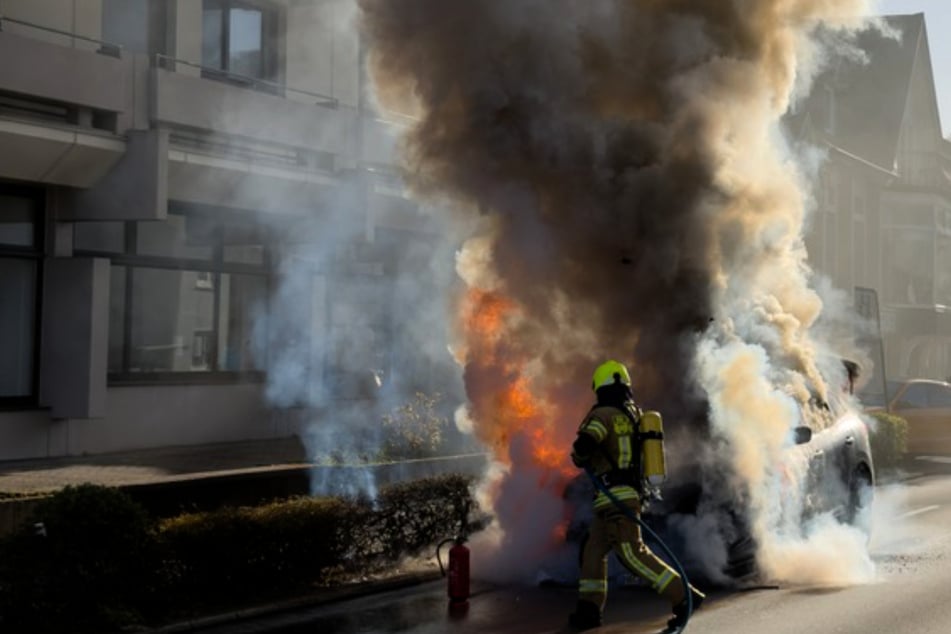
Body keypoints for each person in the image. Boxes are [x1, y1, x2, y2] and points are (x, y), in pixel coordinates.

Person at [568, 360, 705, 630]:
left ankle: (685, 598)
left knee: (633, 554)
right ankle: (588, 611)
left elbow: (585, 445)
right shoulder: (634, 414)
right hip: (621, 496)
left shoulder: (602, 415)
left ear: (601, 386)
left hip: (614, 497)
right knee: (593, 552)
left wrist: (579, 452)